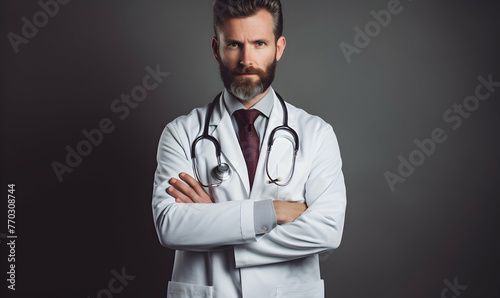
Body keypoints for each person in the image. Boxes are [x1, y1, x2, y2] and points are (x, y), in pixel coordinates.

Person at [152, 1, 347, 297]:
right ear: (216, 49)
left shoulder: (317, 134)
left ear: (278, 48)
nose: (246, 59)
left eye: (259, 43)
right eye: (234, 44)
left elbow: (327, 230)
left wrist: (216, 222)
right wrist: (271, 212)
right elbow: (170, 225)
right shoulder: (180, 133)